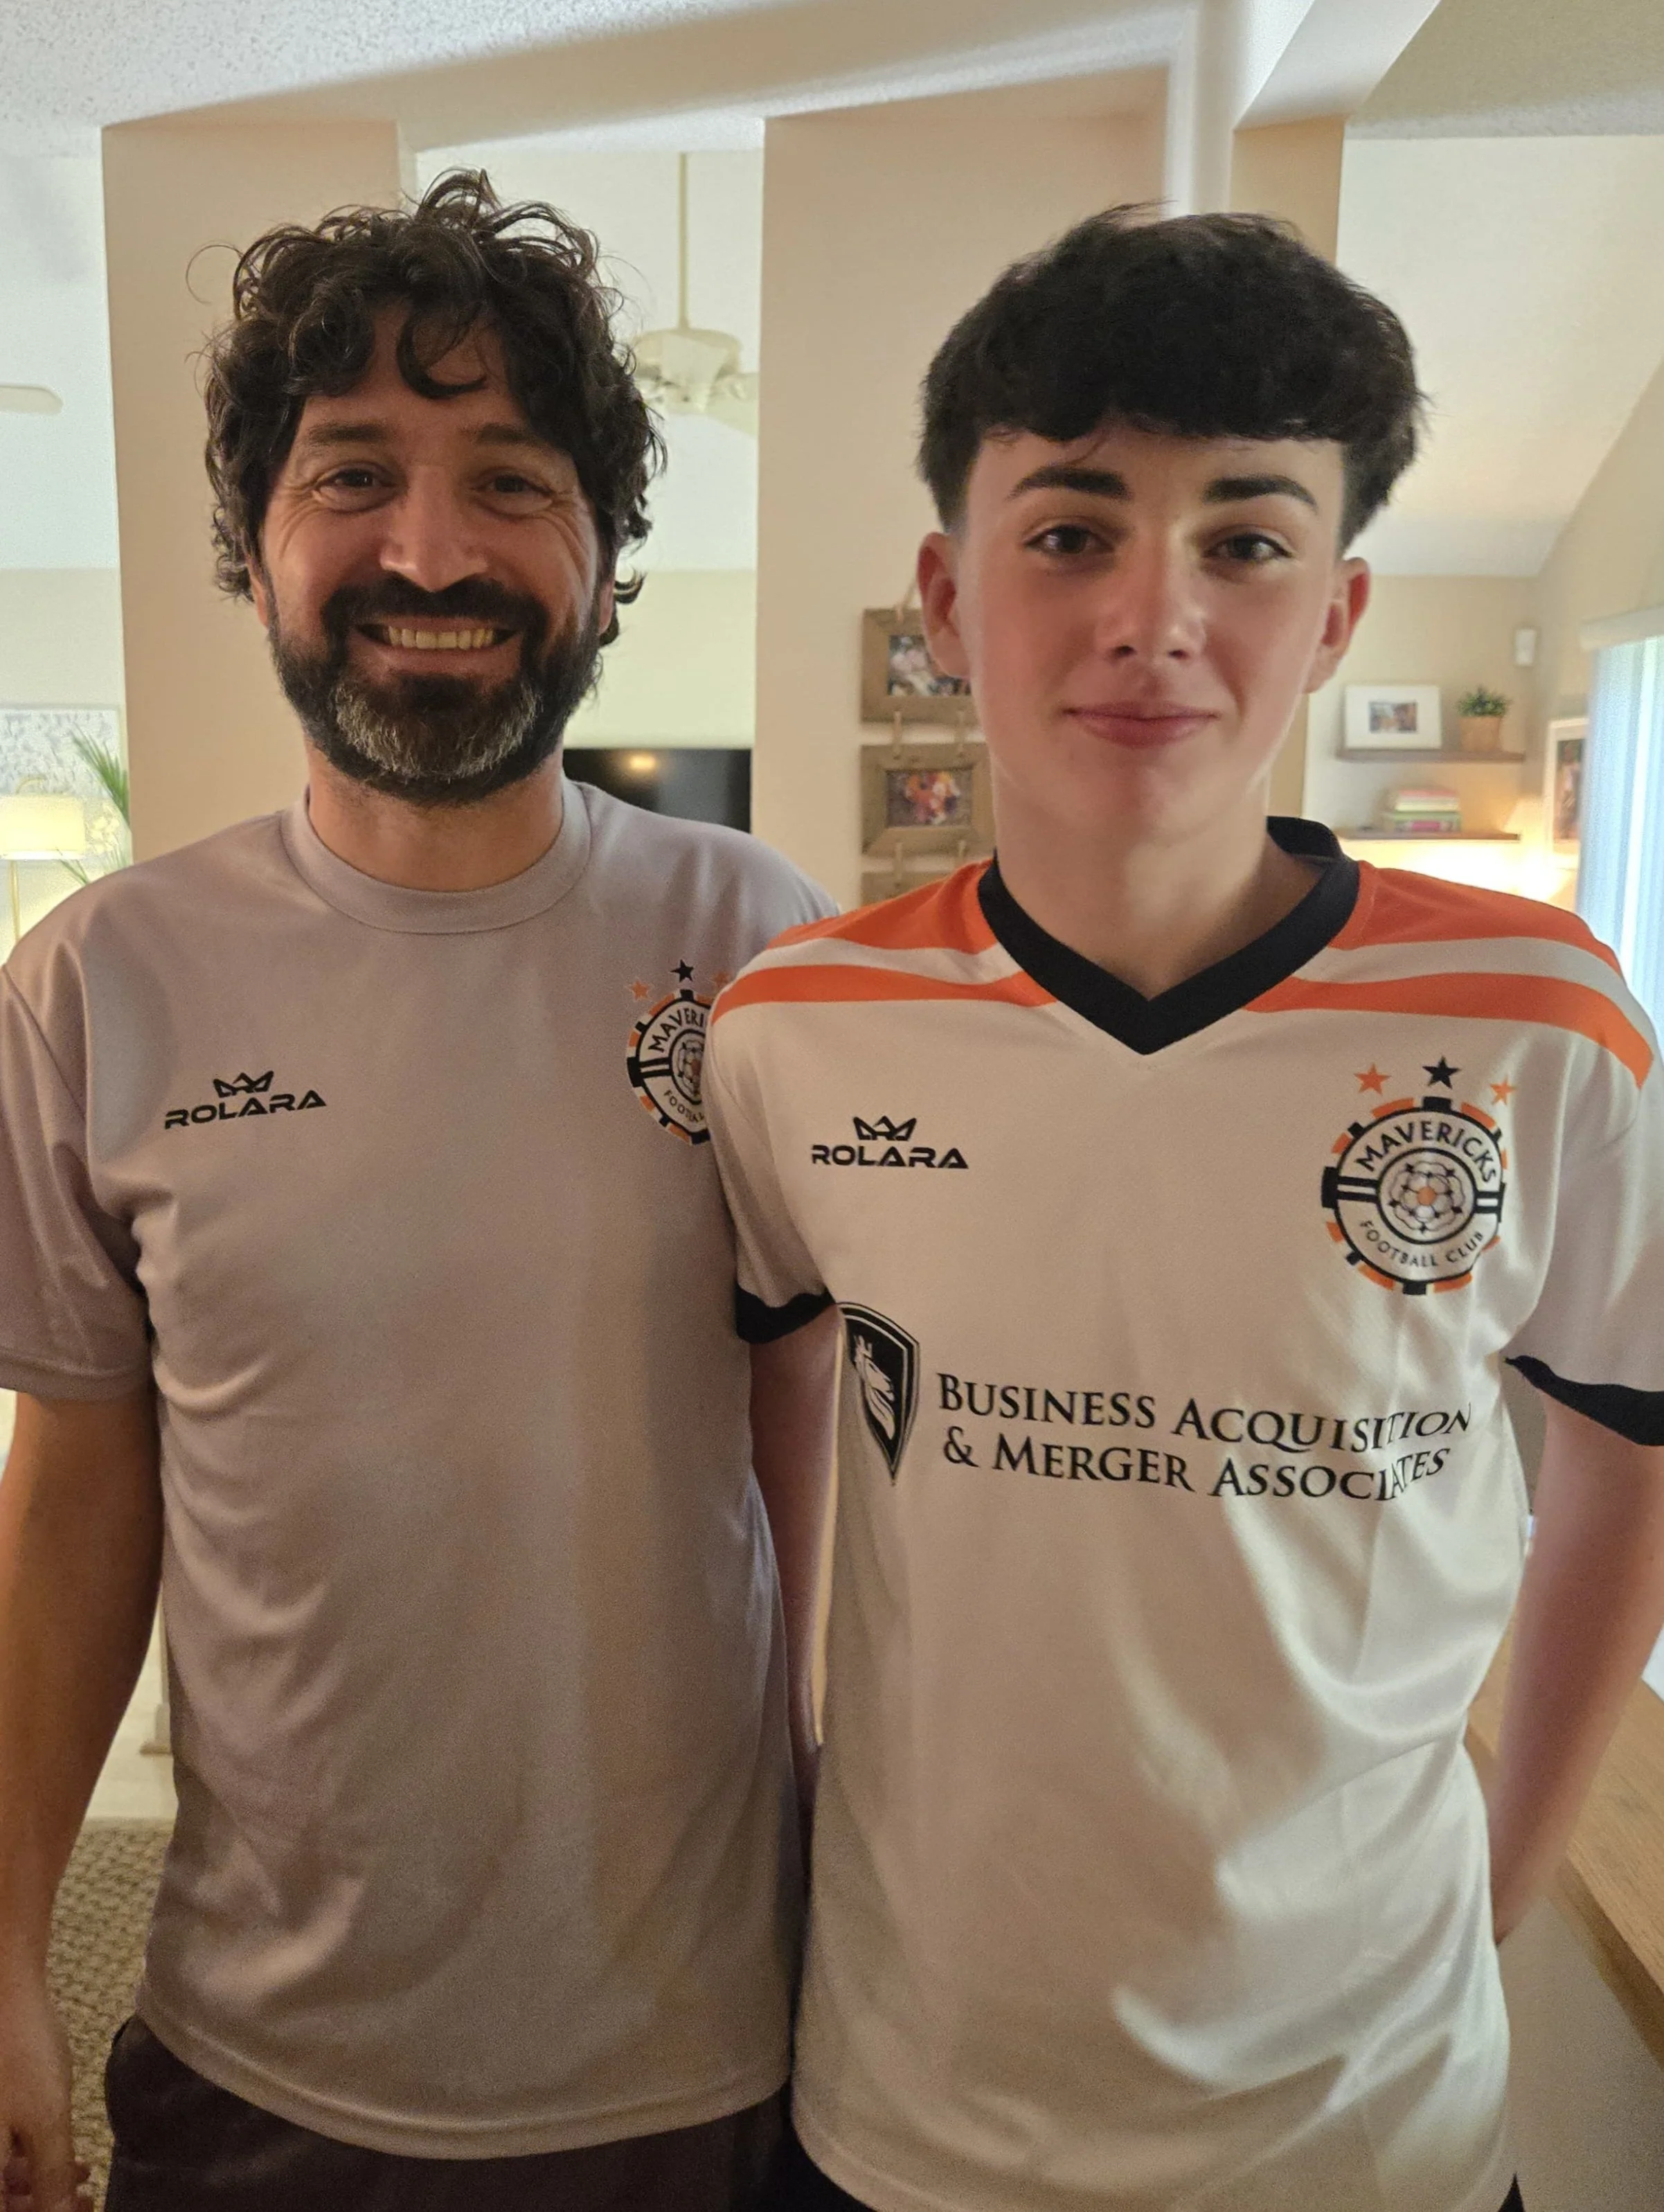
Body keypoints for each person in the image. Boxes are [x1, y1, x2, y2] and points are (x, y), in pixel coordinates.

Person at [703, 208, 1664, 2212]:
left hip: (1363, 2134)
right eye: (1072, 533)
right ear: (945, 601)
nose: (1156, 615)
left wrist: (1510, 1871)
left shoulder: (1543, 1026)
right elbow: (781, 1421)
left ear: (1335, 612)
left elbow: (1626, 1462)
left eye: (1244, 539)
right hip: (904, 2106)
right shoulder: (799, 1027)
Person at [0, 172, 838, 2212]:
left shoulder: (761, 948)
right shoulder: (102, 981)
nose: (431, 549)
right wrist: (7, 1944)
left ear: (609, 561)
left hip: (702, 2050)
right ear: (257, 549)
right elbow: (78, 1499)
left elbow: (836, 1484)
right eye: (353, 473)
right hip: (260, 2057)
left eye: (513, 481)